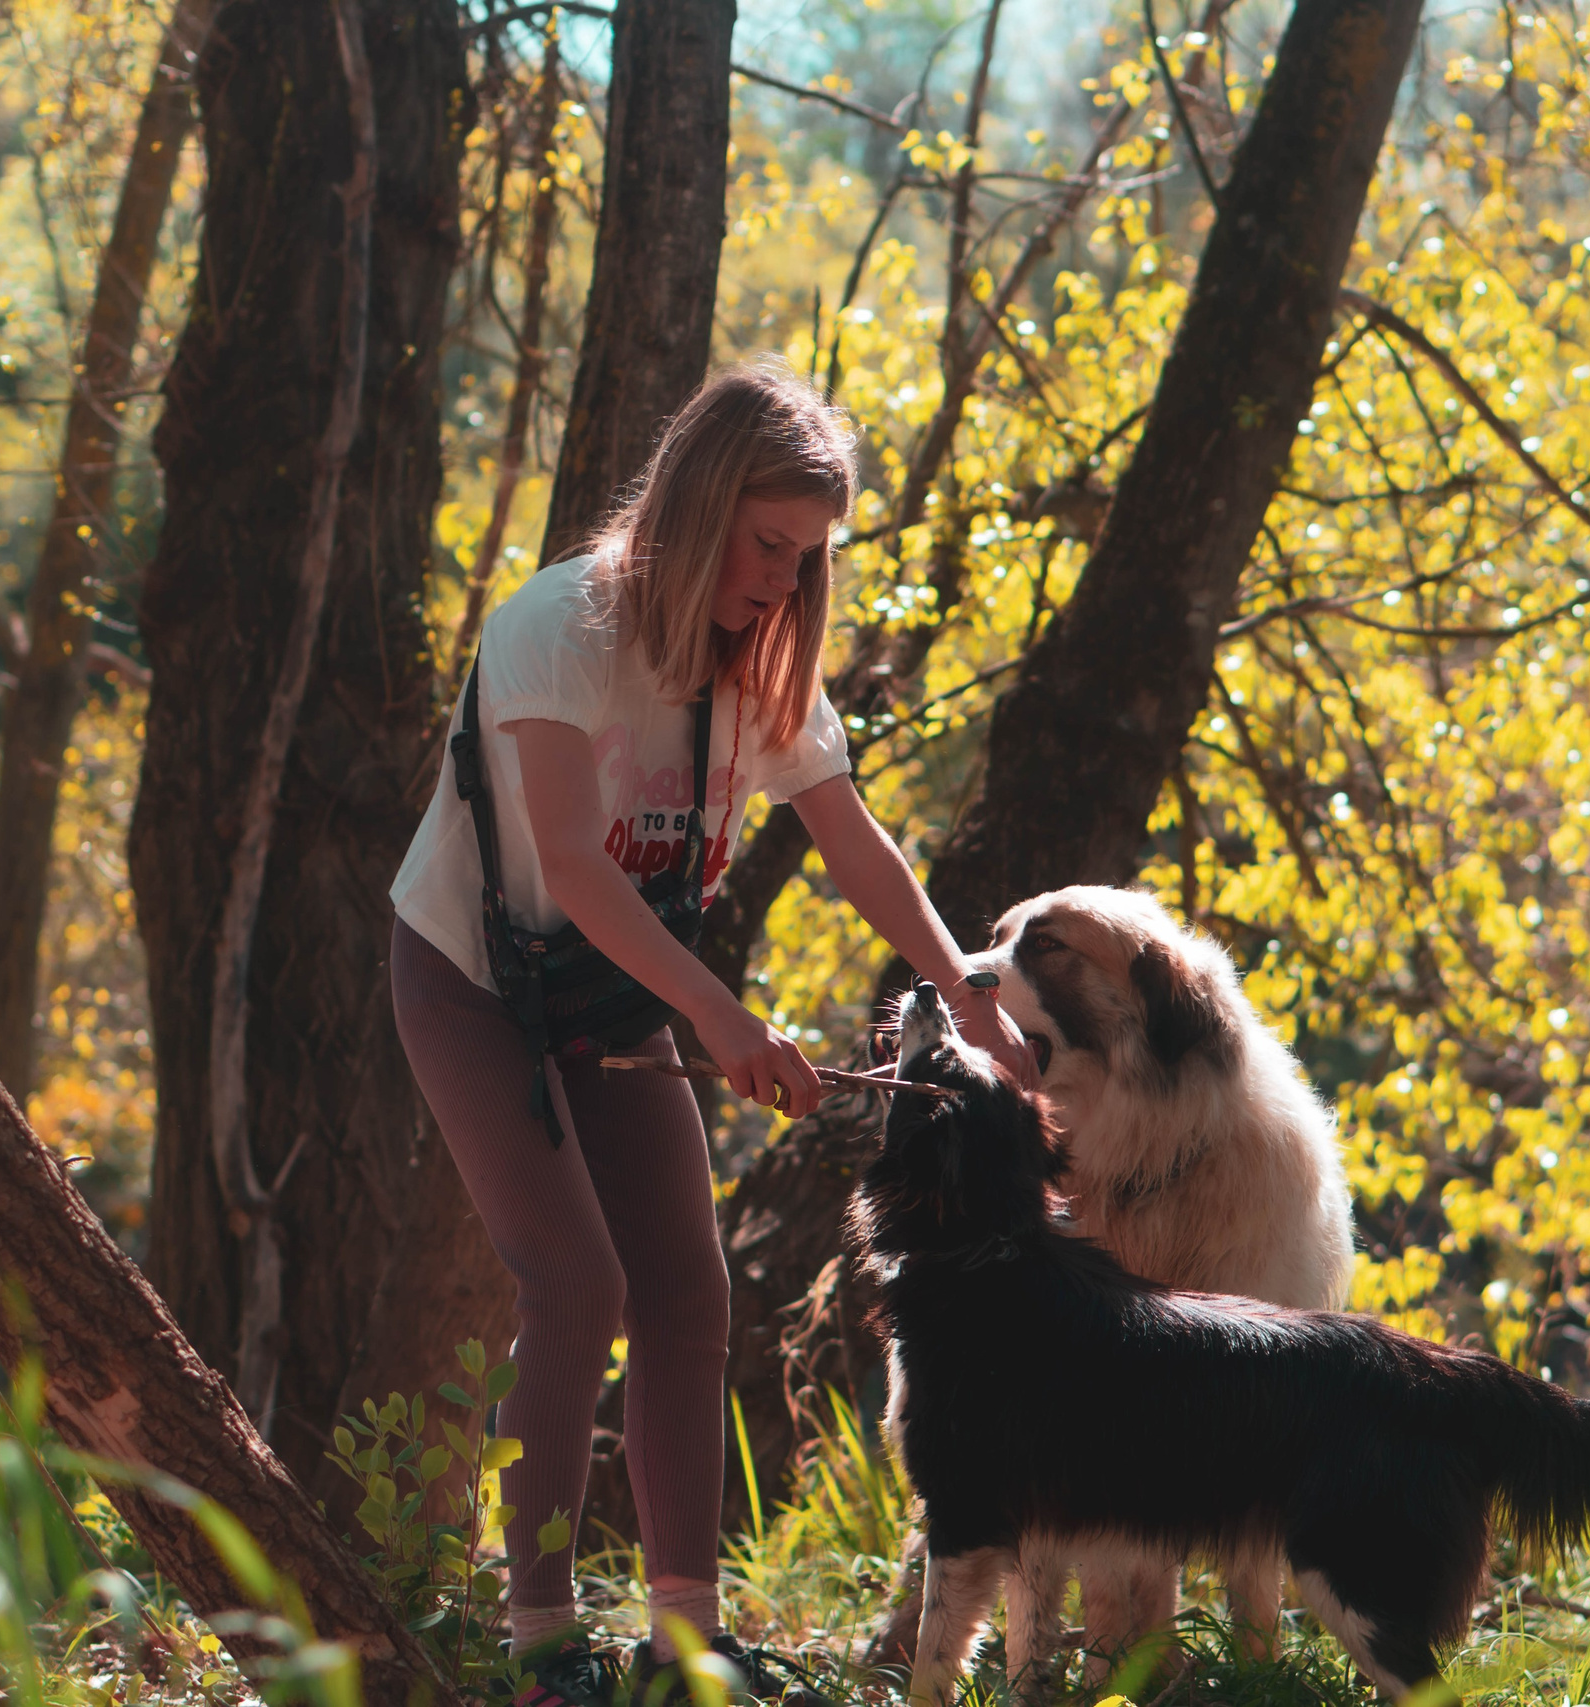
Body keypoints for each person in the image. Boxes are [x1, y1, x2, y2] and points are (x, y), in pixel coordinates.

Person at [388, 361, 1034, 1707]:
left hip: (616, 995)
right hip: (471, 981)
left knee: (688, 1292)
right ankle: (540, 1645)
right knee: (575, 1284)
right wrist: (727, 1018)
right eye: (766, 546)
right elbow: (570, 863)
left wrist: (970, 999)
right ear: (695, 507)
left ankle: (687, 1641)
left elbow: (860, 852)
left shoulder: (765, 675)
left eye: (806, 561)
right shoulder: (557, 629)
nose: (782, 583)